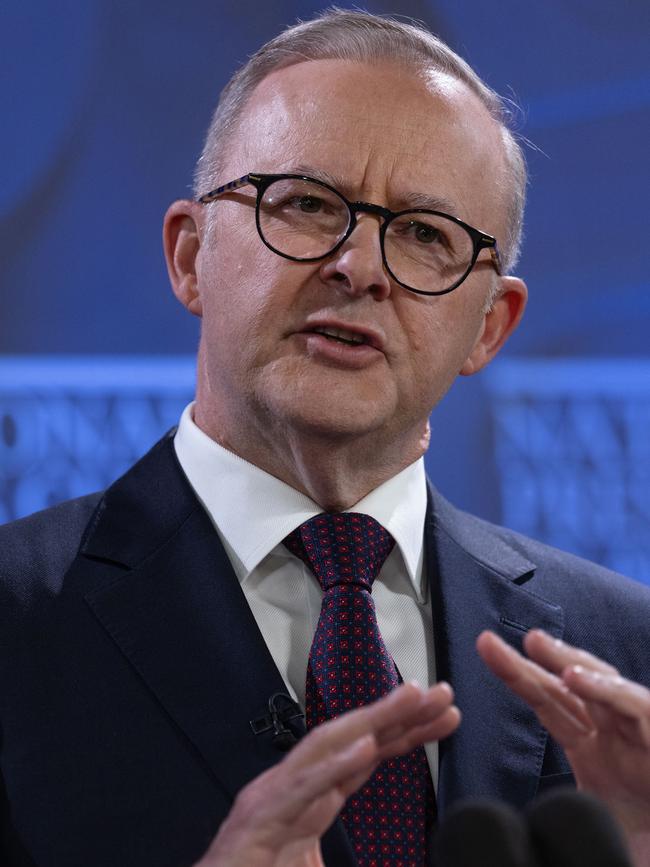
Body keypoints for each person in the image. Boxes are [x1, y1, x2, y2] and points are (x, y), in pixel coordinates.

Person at [1, 9, 649, 867]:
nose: (361, 266)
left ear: (490, 326)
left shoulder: (623, 654)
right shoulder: (16, 621)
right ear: (190, 255)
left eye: (425, 235)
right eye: (306, 204)